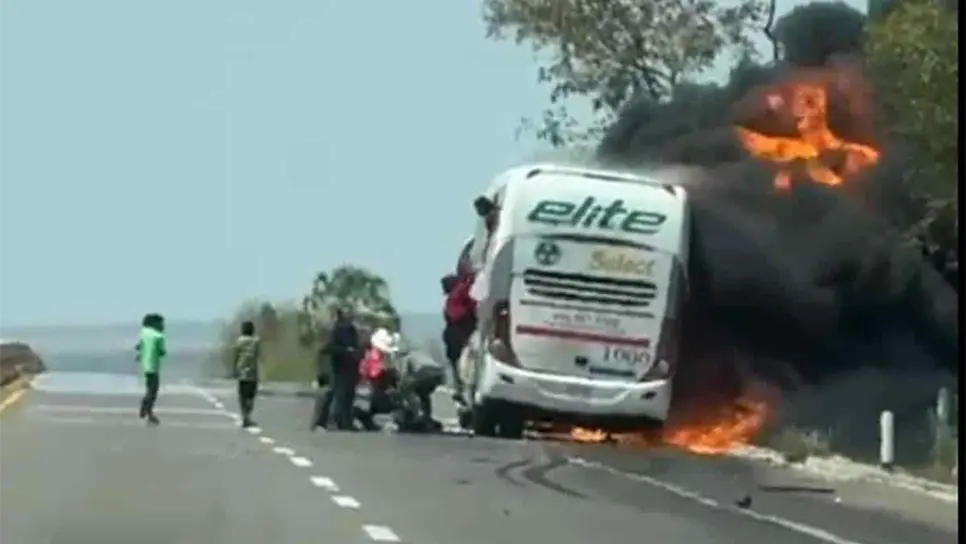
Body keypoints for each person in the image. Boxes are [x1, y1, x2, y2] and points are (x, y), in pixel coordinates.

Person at [315, 308, 361, 431]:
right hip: (339, 369)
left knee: (348, 398)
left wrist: (356, 354)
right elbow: (331, 348)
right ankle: (321, 422)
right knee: (334, 395)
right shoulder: (337, 331)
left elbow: (357, 346)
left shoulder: (352, 331)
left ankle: (346, 423)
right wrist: (347, 351)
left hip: (351, 368)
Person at [135, 313, 166, 426]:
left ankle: (146, 409)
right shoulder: (159, 336)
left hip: (145, 366)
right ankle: (147, 410)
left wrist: (140, 353)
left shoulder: (144, 333)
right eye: (161, 324)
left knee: (149, 387)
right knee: (153, 390)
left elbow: (139, 346)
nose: (163, 326)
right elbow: (162, 352)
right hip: (153, 366)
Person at [232, 320, 261, 428]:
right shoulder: (256, 341)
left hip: (241, 372)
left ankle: (244, 416)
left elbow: (235, 356)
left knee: (242, 395)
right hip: (253, 372)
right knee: (251, 396)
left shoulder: (239, 341)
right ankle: (247, 416)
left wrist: (234, 369)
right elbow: (258, 355)